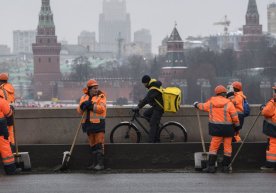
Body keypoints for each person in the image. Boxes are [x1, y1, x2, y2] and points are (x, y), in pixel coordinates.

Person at [194, 85, 240, 173]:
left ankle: (211, 167)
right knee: (227, 148)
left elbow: (203, 106)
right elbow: (235, 117)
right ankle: (226, 167)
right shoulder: (229, 103)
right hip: (228, 129)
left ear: (217, 93)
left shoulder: (211, 102)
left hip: (216, 129)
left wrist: (196, 104)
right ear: (224, 93)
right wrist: (237, 127)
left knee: (213, 147)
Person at [77, 79, 106, 171]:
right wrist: (82, 106)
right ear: (89, 89)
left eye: (97, 88)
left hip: (98, 124)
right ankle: (94, 163)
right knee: (92, 144)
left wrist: (91, 105)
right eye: (94, 88)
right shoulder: (83, 97)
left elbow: (101, 109)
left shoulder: (101, 96)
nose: (96, 90)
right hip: (88, 124)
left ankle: (100, 164)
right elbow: (79, 111)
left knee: (99, 143)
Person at [133, 75, 164, 143]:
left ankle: (151, 142)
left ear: (146, 82)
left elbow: (147, 98)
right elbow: (149, 98)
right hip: (156, 106)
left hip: (159, 107)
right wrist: (142, 101)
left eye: (144, 83)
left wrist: (138, 107)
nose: (144, 85)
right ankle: (156, 129)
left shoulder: (153, 87)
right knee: (146, 114)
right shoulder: (153, 86)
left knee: (152, 123)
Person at [0, 91, 21, 175]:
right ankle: (11, 170)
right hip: (0, 126)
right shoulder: (2, 101)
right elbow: (8, 114)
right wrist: (11, 109)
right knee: (5, 147)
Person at [260, 86, 276, 171]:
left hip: (273, 129)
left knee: (272, 146)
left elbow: (266, 112)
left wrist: (263, 108)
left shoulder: (273, 102)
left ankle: (270, 165)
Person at [0, 72, 15, 147]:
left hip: (3, 111)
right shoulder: (10, 87)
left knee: (4, 130)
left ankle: (8, 143)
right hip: (10, 110)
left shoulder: (2, 89)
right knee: (10, 128)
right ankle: (12, 143)